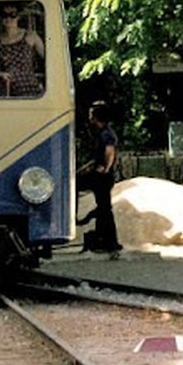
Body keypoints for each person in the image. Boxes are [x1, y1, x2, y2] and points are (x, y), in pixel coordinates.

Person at [76, 100, 122, 252]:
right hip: (99, 174)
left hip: (102, 176)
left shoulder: (106, 134)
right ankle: (105, 238)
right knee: (104, 208)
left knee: (104, 207)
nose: (89, 117)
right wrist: (84, 168)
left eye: (91, 114)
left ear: (96, 117)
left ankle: (107, 239)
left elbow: (110, 152)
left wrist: (105, 168)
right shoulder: (102, 133)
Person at [0, 6, 44, 96]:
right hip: (9, 90)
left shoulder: (30, 36)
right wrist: (1, 74)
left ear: (18, 16)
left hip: (30, 88)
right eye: (4, 15)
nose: (8, 18)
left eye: (12, 15)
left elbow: (49, 61)